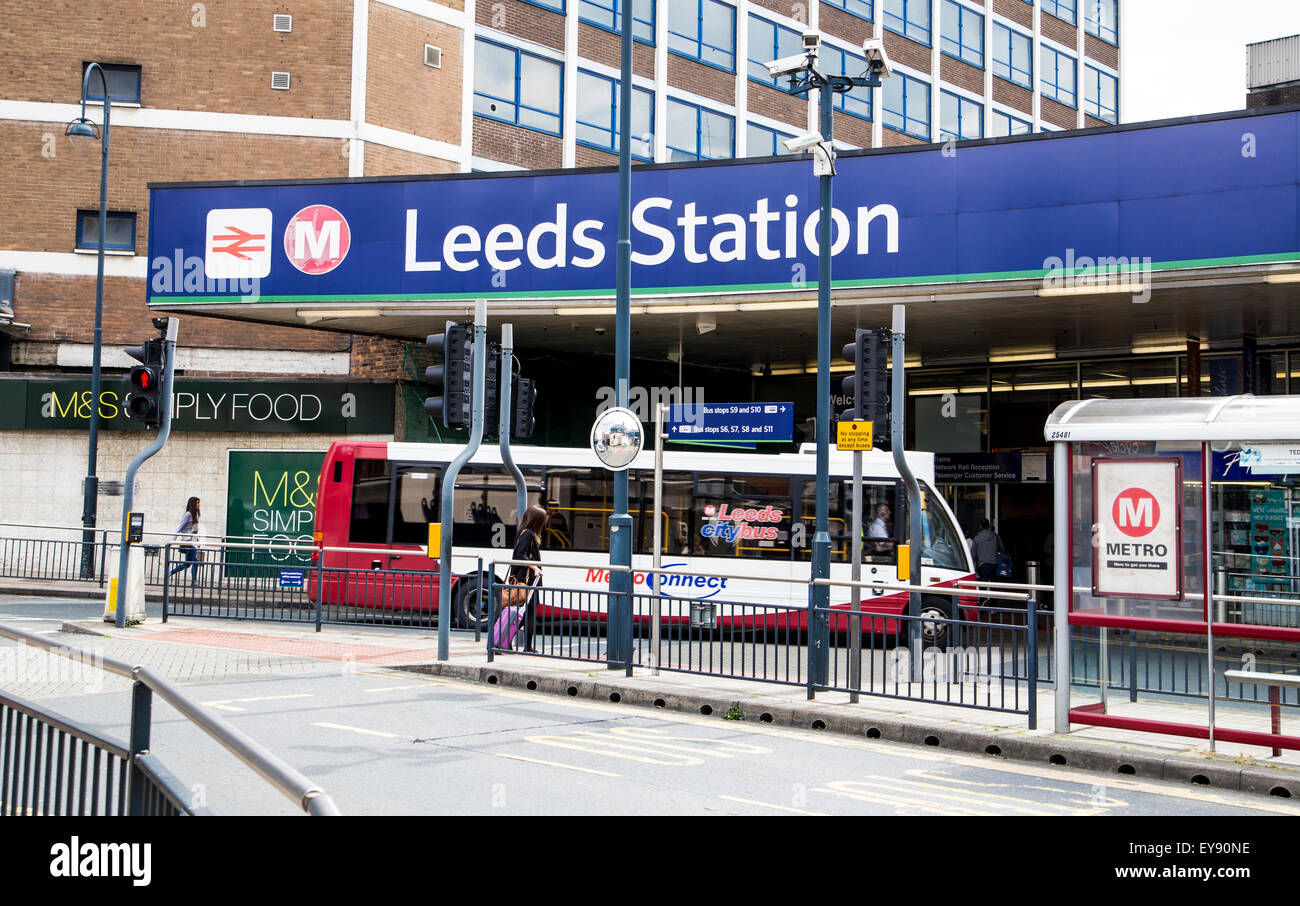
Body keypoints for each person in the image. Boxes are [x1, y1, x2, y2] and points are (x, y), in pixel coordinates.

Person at [510, 504, 547, 652]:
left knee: (525, 614)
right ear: (537, 521)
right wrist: (534, 567)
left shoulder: (525, 532)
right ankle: (525, 646)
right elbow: (521, 555)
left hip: (526, 579)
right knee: (528, 614)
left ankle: (508, 641)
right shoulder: (527, 534)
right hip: (526, 581)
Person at [168, 497, 202, 581]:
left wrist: (197, 542)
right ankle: (194, 582)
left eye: (199, 502)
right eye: (197, 503)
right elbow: (180, 527)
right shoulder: (188, 514)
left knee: (187, 564)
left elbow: (194, 531)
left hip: (189, 542)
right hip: (186, 542)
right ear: (193, 504)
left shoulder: (194, 515)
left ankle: (170, 573)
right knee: (196, 562)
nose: (198, 504)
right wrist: (173, 540)